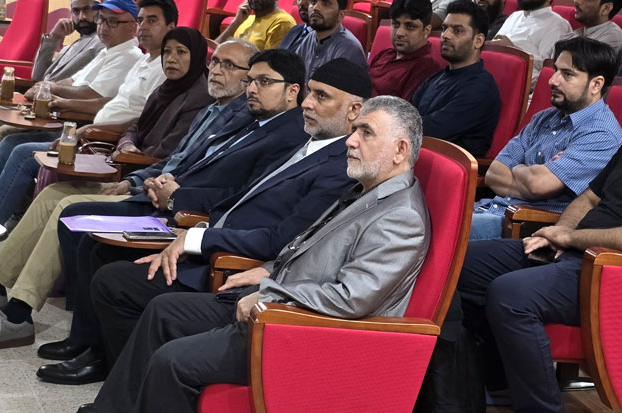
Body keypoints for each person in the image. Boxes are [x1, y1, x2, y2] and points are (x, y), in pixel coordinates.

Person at [79, 94, 430, 413]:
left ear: (399, 151)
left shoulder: (401, 217)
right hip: (279, 301)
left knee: (171, 361)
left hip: (302, 331)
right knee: (163, 311)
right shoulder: (366, 188)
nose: (351, 141)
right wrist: (268, 270)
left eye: (366, 133)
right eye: (354, 131)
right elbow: (305, 245)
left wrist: (270, 292)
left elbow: (353, 299)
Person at [34, 58, 367, 385]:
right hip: (205, 230)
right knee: (103, 252)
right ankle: (107, 361)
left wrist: (194, 237)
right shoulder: (310, 142)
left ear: (353, 111)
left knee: (114, 279)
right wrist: (185, 219)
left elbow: (282, 238)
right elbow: (238, 194)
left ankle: (126, 377)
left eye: (320, 96)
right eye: (310, 92)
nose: (307, 103)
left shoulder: (334, 161)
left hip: (231, 263)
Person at [0, 47, 312, 355]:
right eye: (250, 79)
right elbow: (181, 156)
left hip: (186, 214)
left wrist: (175, 196)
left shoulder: (284, 133)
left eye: (262, 81)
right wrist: (153, 180)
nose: (251, 88)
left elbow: (241, 194)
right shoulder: (247, 118)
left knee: (72, 214)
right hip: (160, 191)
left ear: (293, 91)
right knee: (59, 199)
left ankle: (26, 317)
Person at [456, 57, 622, 412]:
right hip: (578, 255)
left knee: (511, 294)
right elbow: (589, 196)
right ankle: (500, 382)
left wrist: (572, 239)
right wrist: (561, 231)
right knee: (463, 263)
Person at [0, 0, 178, 225]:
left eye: (151, 21)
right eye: (101, 20)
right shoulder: (140, 60)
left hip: (103, 141)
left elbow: (137, 120)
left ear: (170, 28)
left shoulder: (155, 64)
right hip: (88, 131)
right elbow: (87, 89)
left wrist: (71, 113)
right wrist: (53, 93)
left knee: (22, 152)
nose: (103, 26)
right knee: (9, 139)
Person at [0, 0, 140, 177]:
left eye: (112, 21)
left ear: (133, 27)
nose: (83, 17)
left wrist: (49, 89)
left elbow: (90, 93)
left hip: (65, 115)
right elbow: (41, 75)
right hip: (48, 100)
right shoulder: (99, 49)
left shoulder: (103, 46)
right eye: (101, 19)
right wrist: (53, 38)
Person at [471, 37, 622, 241]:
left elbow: (539, 185)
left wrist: (517, 168)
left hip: (527, 226)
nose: (553, 81)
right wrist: (532, 175)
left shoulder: (601, 134)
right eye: (556, 71)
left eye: (567, 74)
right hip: (490, 207)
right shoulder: (543, 118)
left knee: (435, 230)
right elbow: (494, 174)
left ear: (596, 84)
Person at [412, 0, 500, 157]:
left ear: (478, 41)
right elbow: (408, 112)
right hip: (415, 155)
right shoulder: (437, 77)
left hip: (444, 168)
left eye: (457, 31)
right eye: (445, 28)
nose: (445, 35)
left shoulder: (480, 87)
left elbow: (433, 130)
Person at [368, 0, 444, 100]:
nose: (399, 33)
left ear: (426, 31)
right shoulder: (384, 54)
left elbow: (403, 113)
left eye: (410, 27)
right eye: (395, 24)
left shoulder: (427, 68)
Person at [490, 0, 573, 87]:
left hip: (521, 88)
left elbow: (545, 73)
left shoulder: (558, 25)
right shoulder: (514, 16)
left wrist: (512, 49)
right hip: (492, 76)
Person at [282, 0, 368, 81]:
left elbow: (336, 93)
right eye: (313, 2)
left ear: (340, 15)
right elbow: (292, 74)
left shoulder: (349, 49)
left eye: (326, 3)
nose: (316, 8)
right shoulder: (310, 38)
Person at [216, 0, 296, 49]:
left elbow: (269, 64)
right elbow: (214, 49)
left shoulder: (282, 22)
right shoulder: (244, 19)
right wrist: (235, 22)